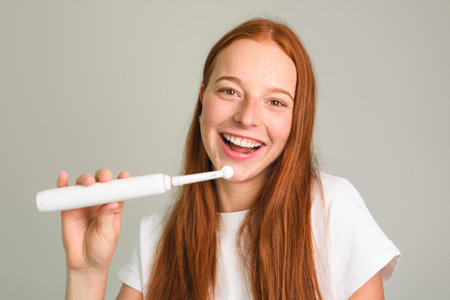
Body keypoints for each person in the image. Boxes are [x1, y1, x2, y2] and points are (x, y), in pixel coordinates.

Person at [58, 18, 400, 300]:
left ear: (297, 121)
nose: (248, 118)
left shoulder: (332, 209)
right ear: (201, 100)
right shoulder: (157, 237)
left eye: (276, 102)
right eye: (230, 91)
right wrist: (87, 273)